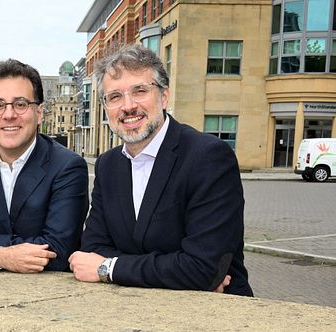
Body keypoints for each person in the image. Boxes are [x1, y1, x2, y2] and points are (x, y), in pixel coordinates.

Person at [69, 45, 253, 296]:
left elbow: (202, 268)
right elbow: (93, 247)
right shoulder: (108, 165)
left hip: (212, 319)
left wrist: (107, 268)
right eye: (114, 97)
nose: (128, 106)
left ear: (164, 96)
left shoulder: (208, 157)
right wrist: (173, 270)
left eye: (140, 91)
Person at [0, 59, 89, 273]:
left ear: (39, 113)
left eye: (21, 104)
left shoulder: (67, 166)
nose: (9, 114)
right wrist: (1, 256)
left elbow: (59, 251)